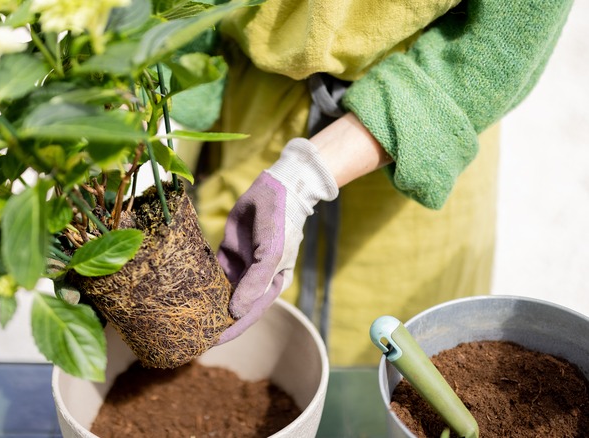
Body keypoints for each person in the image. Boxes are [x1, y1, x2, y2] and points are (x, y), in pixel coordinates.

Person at [180, 0, 574, 367]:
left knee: (395, 367)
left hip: (419, 128)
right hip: (252, 116)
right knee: (240, 340)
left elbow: (507, 37)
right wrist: (174, 100)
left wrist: (307, 176)